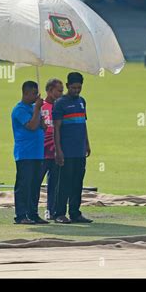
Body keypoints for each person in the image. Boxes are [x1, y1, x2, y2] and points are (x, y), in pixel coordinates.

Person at [52, 72, 92, 224]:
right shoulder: (60, 103)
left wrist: (87, 143)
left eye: (79, 88)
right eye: (73, 87)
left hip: (80, 150)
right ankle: (59, 214)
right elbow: (56, 128)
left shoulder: (82, 101)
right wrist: (58, 150)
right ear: (67, 86)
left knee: (77, 183)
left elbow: (83, 123)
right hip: (66, 151)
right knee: (64, 183)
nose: (76, 90)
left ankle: (75, 213)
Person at [11, 81, 48, 225]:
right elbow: (32, 126)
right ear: (25, 93)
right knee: (24, 185)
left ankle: (33, 213)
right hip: (25, 153)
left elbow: (41, 127)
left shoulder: (34, 108)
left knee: (35, 185)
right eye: (34, 93)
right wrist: (37, 109)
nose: (37, 96)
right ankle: (21, 215)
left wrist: (41, 119)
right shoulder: (19, 110)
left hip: (38, 153)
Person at [40, 78, 63, 220]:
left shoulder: (61, 107)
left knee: (54, 184)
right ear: (49, 91)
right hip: (41, 152)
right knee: (35, 183)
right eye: (58, 91)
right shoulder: (40, 106)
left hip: (56, 152)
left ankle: (51, 210)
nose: (61, 93)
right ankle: (31, 211)